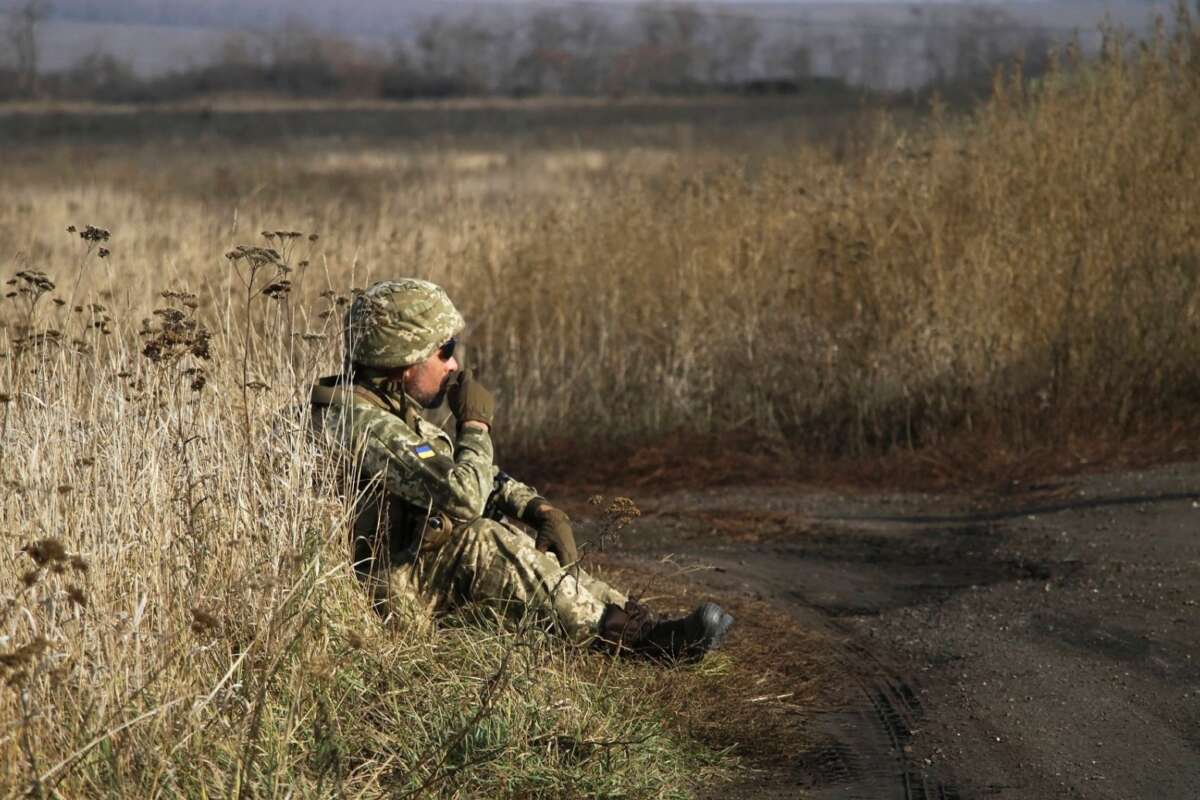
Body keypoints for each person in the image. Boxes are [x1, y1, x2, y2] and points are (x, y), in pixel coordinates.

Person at [308, 278, 733, 660]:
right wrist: (474, 426)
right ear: (405, 360)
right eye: (445, 350)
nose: (454, 364)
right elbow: (462, 498)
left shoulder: (385, 408)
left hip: (408, 571)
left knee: (506, 529)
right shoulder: (357, 425)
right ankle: (630, 640)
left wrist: (537, 509)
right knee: (481, 537)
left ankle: (632, 620)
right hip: (386, 596)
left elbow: (459, 472)